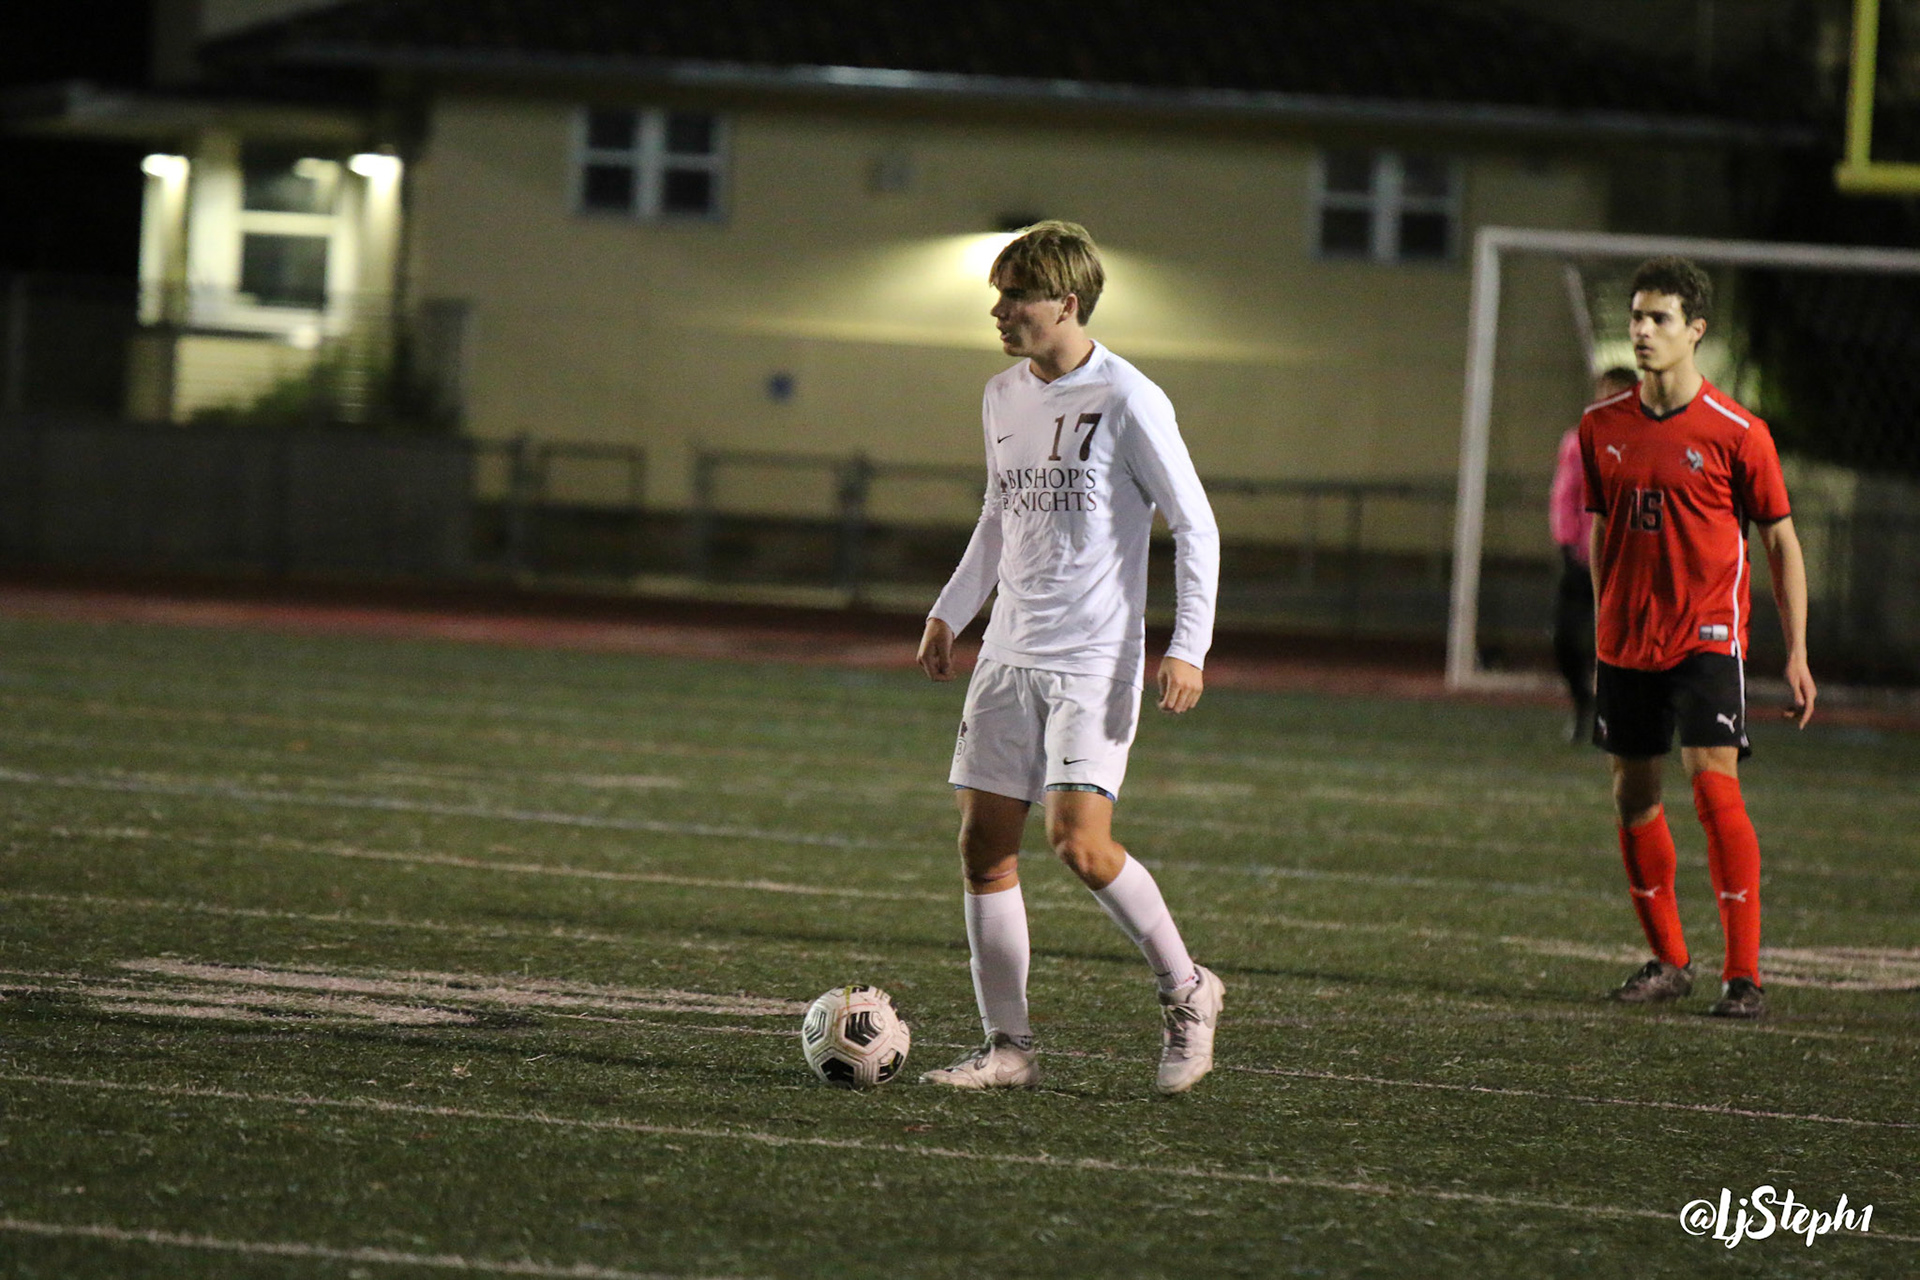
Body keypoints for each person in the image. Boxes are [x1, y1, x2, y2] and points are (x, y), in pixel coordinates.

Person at [915, 220, 1224, 1093]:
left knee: (1079, 846)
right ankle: (1007, 1046)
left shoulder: (1129, 397)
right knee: (984, 849)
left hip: (1093, 659)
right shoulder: (1000, 396)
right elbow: (997, 514)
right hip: (1008, 654)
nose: (999, 310)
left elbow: (1195, 525)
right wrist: (951, 612)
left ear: (1067, 302)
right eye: (999, 293)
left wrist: (1189, 646)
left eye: (1017, 295)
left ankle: (1188, 989)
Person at [1580, 256, 1816, 1020]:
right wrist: (1603, 620)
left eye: (1660, 319)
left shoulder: (1739, 432)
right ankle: (1670, 962)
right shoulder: (1599, 428)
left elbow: (1780, 542)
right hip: (1627, 639)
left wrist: (1796, 650)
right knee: (1633, 792)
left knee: (1714, 783)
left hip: (1707, 634)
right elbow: (1603, 531)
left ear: (1696, 331)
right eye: (1637, 317)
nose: (1643, 331)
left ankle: (1743, 976)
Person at [1551, 366, 1637, 743]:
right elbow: (1565, 494)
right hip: (1582, 560)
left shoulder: (1646, 445)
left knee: (1624, 646)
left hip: (1626, 565)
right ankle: (1582, 702)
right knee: (1565, 639)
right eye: (1606, 393)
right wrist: (1568, 542)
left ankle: (1618, 716)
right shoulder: (1578, 442)